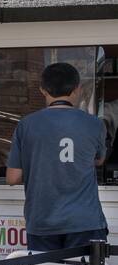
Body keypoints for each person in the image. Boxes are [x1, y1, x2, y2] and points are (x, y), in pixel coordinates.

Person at [6, 62, 108, 251]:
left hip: (42, 221)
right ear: (77, 89)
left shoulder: (26, 125)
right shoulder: (95, 124)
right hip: (85, 222)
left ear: (43, 90)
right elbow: (99, 159)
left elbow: (13, 177)